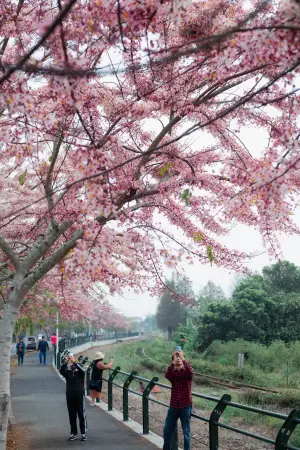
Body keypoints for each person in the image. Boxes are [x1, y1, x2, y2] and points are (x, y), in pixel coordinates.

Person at [163, 351, 194, 450]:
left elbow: (191, 372)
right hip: (174, 406)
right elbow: (167, 375)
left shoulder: (187, 373)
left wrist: (182, 358)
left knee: (186, 433)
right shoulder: (173, 374)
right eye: (176, 357)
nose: (178, 358)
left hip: (185, 405)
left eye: (180, 357)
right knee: (167, 430)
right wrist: (173, 362)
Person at [60, 353, 87, 441]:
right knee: (72, 415)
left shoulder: (80, 373)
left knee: (81, 415)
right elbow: (61, 370)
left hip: (79, 395)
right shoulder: (67, 373)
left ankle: (83, 433)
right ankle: (73, 433)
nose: (71, 365)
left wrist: (74, 361)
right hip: (70, 395)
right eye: (70, 364)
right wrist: (66, 361)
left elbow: (82, 369)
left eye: (73, 364)